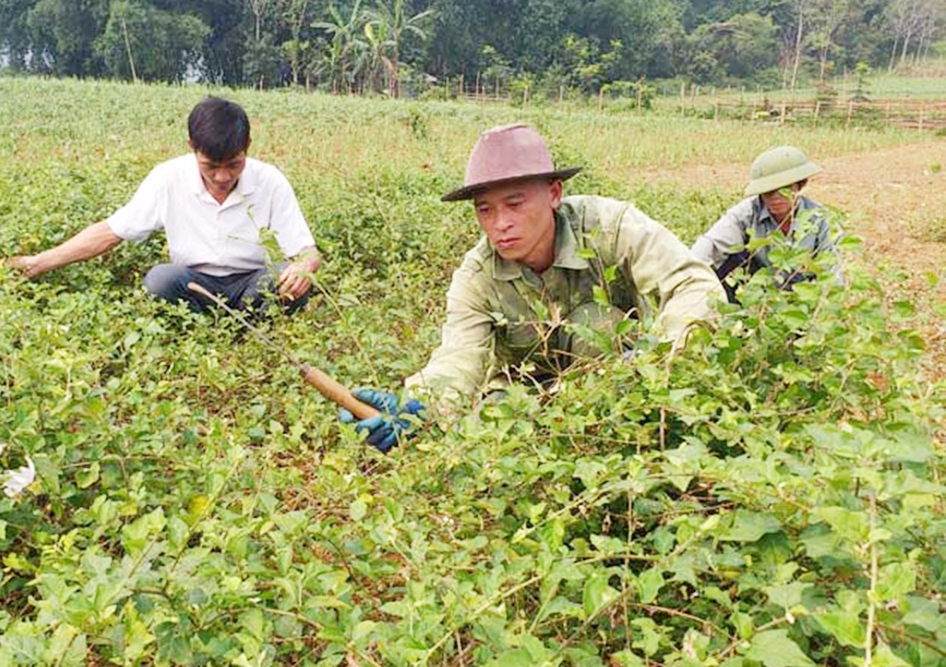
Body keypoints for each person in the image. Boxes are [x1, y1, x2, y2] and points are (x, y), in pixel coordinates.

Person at [341, 123, 726, 452]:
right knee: (484, 443)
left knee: (597, 323)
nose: (500, 224)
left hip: (622, 382)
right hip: (523, 398)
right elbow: (458, 357)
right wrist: (416, 408)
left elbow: (695, 287)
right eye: (485, 209)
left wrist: (653, 361)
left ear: (554, 194)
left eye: (514, 203)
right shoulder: (477, 276)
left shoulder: (610, 226)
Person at [8, 97, 320, 312]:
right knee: (160, 280)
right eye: (210, 166)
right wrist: (40, 262)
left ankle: (248, 327)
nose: (222, 176)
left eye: (234, 164)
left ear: (247, 147)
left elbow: (306, 250)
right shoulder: (168, 178)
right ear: (191, 147)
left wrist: (304, 267)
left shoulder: (270, 181)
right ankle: (204, 327)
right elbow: (112, 231)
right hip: (194, 285)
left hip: (250, 283)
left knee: (290, 282)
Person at [691, 145, 838, 300]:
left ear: (799, 185)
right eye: (768, 191)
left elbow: (833, 274)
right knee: (730, 259)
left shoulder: (821, 219)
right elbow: (708, 248)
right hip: (759, 293)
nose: (775, 197)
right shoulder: (746, 213)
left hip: (804, 297)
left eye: (784, 189)